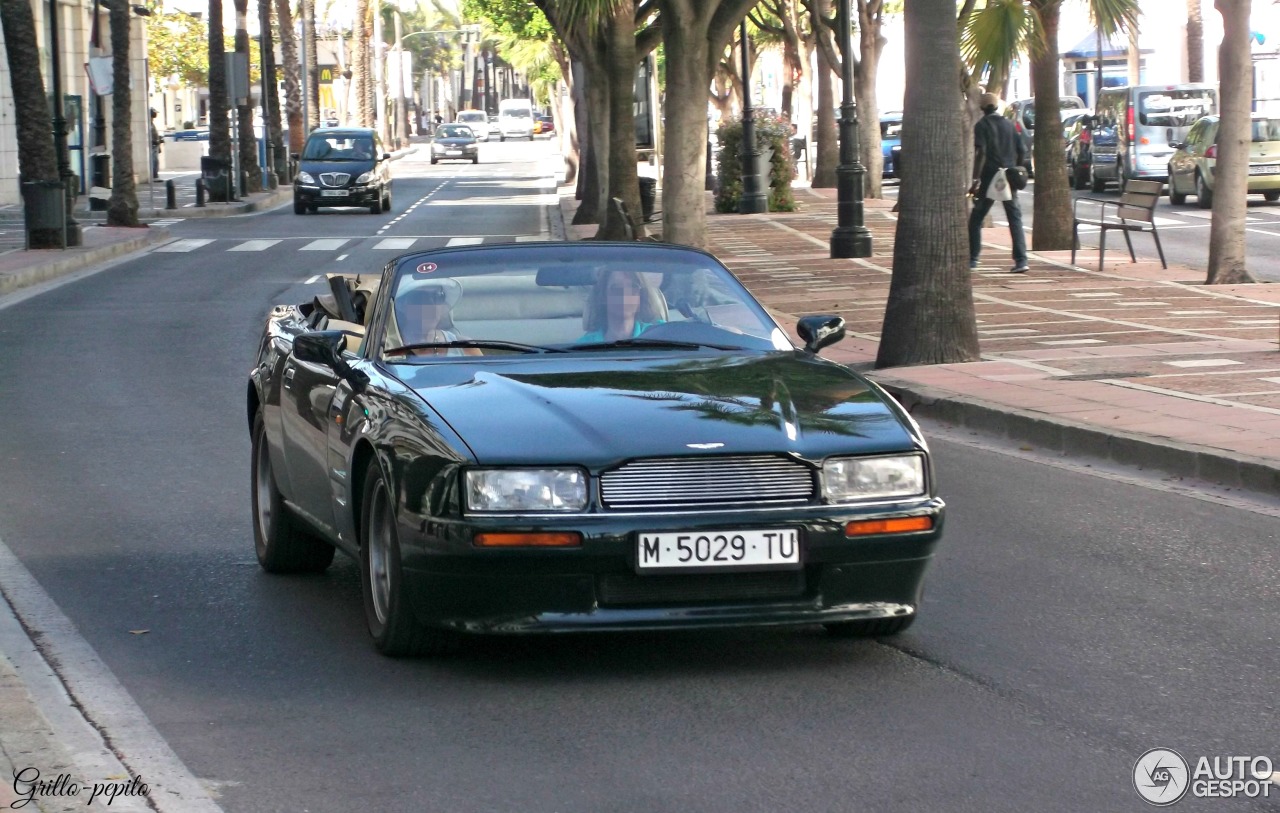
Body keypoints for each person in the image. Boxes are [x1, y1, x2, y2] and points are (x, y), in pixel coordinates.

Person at [968, 92, 1029, 273]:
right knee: (1014, 217)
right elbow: (1022, 150)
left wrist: (975, 179)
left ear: (981, 108)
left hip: (990, 176)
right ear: (997, 106)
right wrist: (1015, 168)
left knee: (976, 218)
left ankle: (973, 258)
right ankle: (1021, 260)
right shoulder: (1009, 125)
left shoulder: (981, 125)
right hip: (1009, 176)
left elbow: (981, 153)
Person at [393, 280, 481, 357]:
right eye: (420, 297)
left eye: (438, 296)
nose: (432, 306)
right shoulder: (388, 351)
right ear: (402, 304)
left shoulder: (465, 348)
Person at [579, 269, 666, 343]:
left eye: (633, 287)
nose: (625, 295)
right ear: (603, 297)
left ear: (641, 297)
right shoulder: (582, 346)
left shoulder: (660, 334)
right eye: (616, 288)